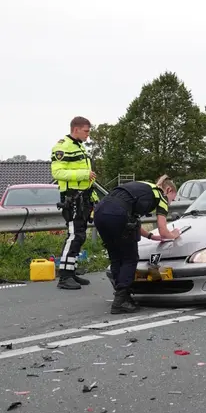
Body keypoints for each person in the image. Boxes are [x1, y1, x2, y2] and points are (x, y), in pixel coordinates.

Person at [93, 175, 181, 314]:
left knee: (116, 257)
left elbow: (130, 218)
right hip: (117, 214)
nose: (170, 203)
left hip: (100, 211)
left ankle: (123, 297)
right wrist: (174, 234)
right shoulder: (161, 196)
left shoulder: (144, 187)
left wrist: (151, 236)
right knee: (130, 258)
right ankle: (121, 301)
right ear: (168, 190)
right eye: (172, 199)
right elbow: (164, 231)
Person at [51, 116, 100, 290]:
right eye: (86, 131)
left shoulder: (78, 146)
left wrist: (93, 199)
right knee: (74, 235)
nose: (88, 135)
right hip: (72, 197)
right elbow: (57, 173)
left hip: (83, 197)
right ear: (76, 129)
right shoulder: (62, 147)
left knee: (79, 235)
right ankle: (64, 276)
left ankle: (71, 271)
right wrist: (83, 175)